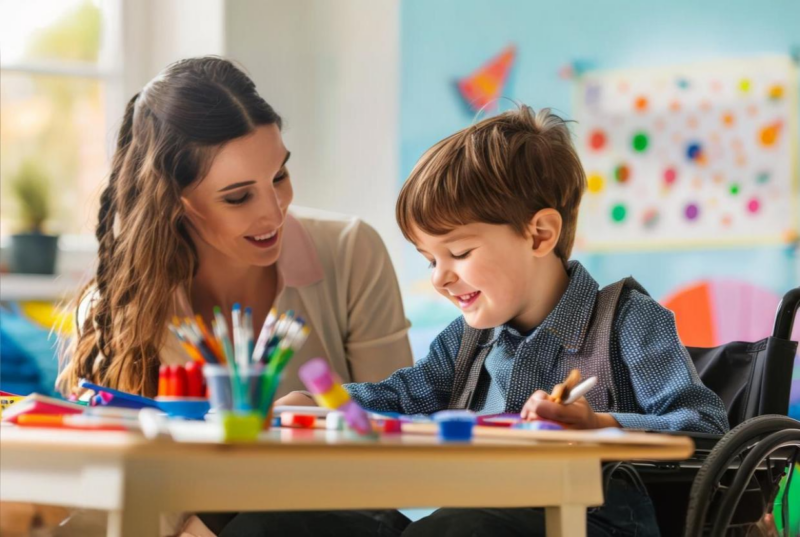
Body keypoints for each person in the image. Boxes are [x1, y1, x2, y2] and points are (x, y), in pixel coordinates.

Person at [279, 105, 729, 536]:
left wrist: (602, 425)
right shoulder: (466, 339)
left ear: (539, 234)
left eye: (458, 253)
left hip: (588, 522)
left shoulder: (627, 321)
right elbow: (400, 397)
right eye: (429, 259)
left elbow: (705, 425)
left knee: (456, 529)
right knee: (284, 522)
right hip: (472, 518)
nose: (440, 278)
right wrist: (323, 403)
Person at [57, 56, 413, 537]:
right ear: (176, 202)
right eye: (238, 196)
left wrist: (217, 514)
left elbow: (394, 444)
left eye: (279, 177)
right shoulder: (115, 308)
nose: (274, 212)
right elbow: (113, 491)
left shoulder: (352, 252)